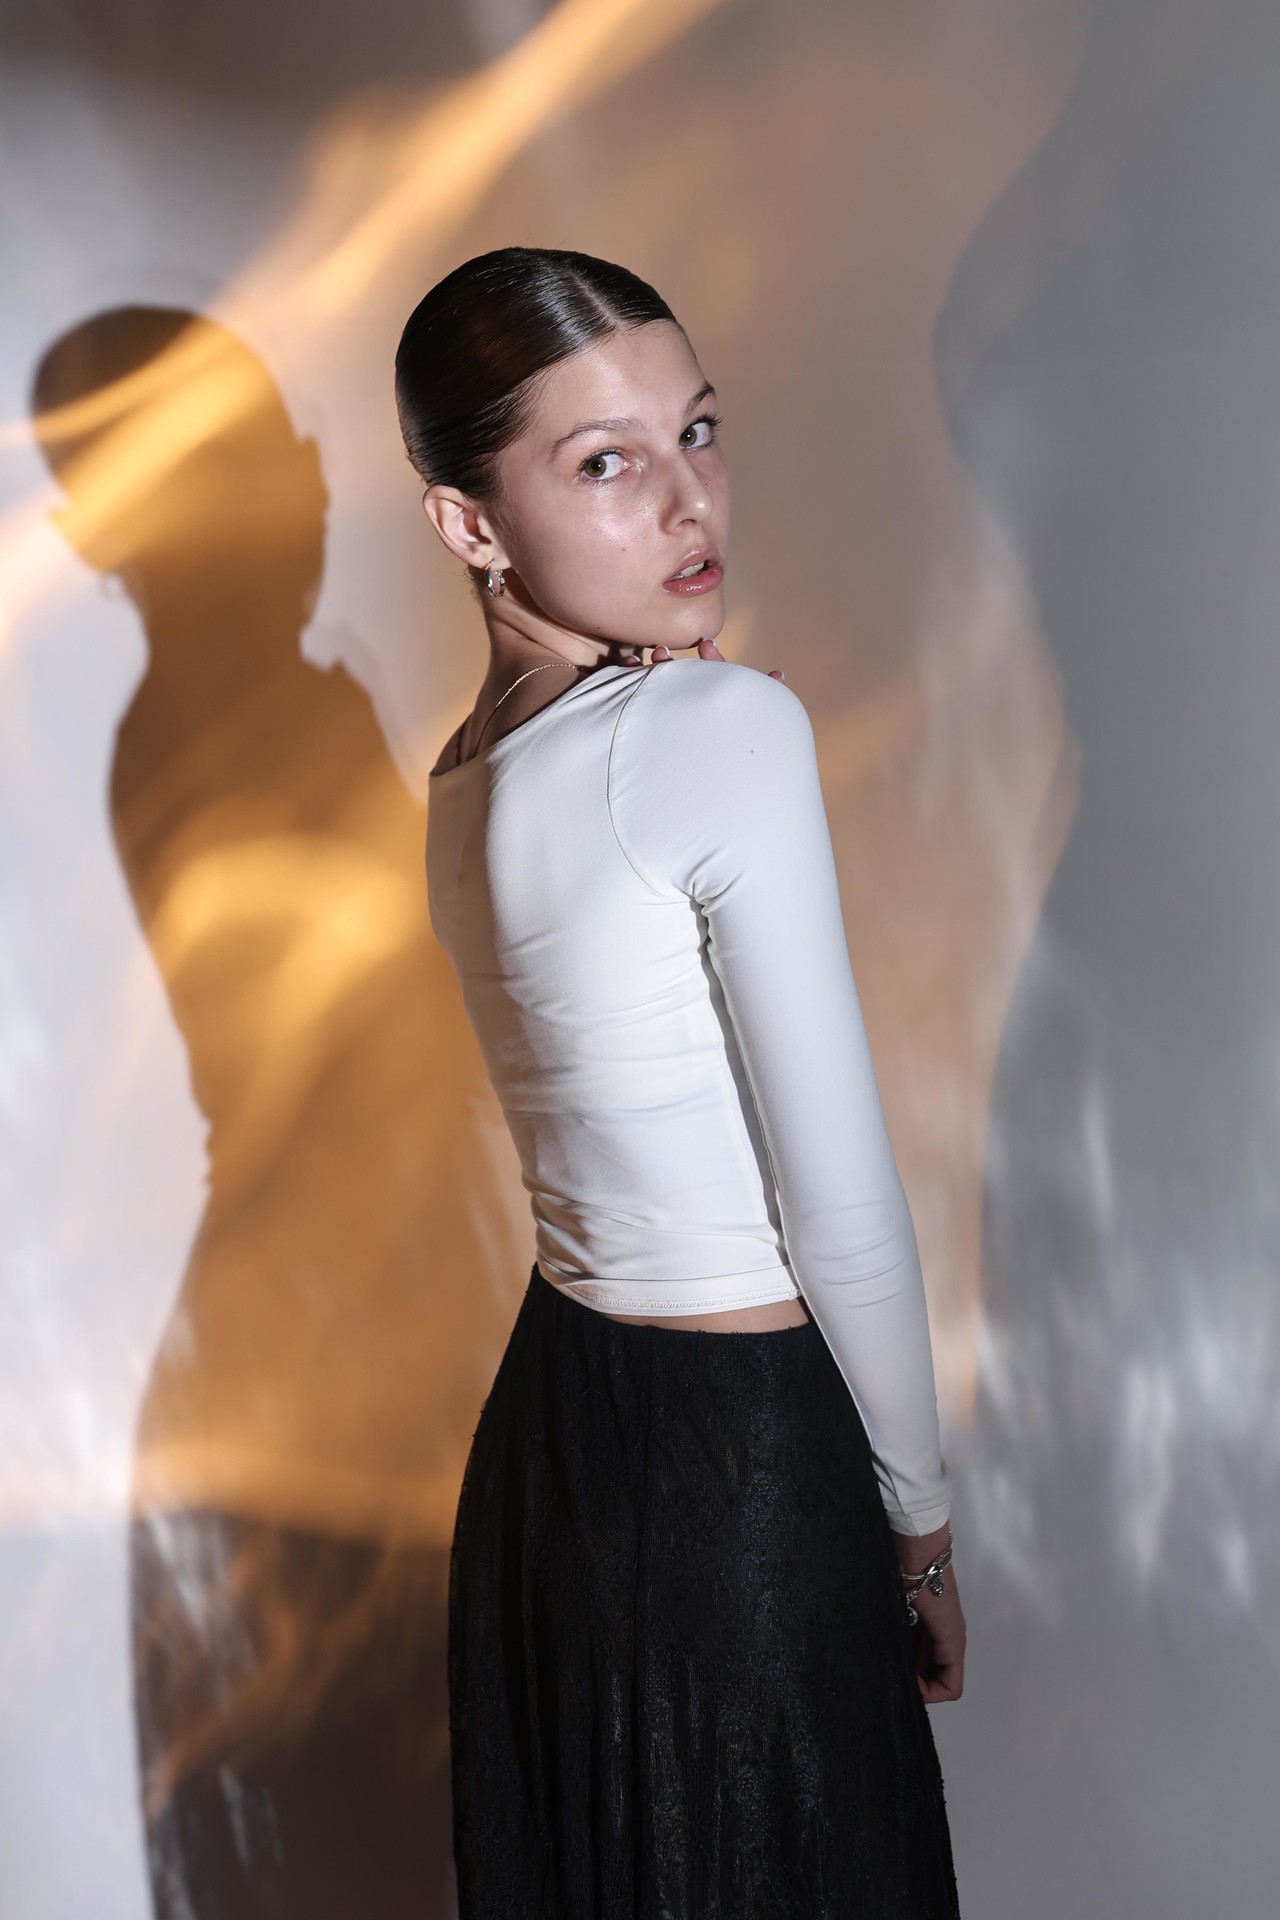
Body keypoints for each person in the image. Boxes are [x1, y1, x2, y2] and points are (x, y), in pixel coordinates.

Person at [398, 245, 965, 1916]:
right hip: (741, 1473)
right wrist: (919, 1524)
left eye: (697, 430)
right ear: (469, 524)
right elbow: (837, 1200)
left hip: (553, 1446)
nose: (686, 500)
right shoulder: (715, 733)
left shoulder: (461, 775)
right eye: (604, 462)